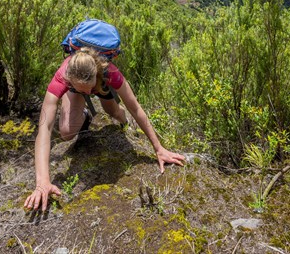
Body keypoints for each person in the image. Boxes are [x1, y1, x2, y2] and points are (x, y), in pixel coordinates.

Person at [24, 47, 185, 212]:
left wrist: (158, 148)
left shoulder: (109, 72)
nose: (88, 93)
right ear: (69, 79)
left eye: (88, 88)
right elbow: (45, 128)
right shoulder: (61, 78)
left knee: (113, 111)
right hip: (77, 86)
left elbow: (135, 108)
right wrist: (42, 182)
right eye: (83, 89)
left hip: (101, 82)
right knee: (66, 132)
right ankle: (84, 115)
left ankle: (124, 123)